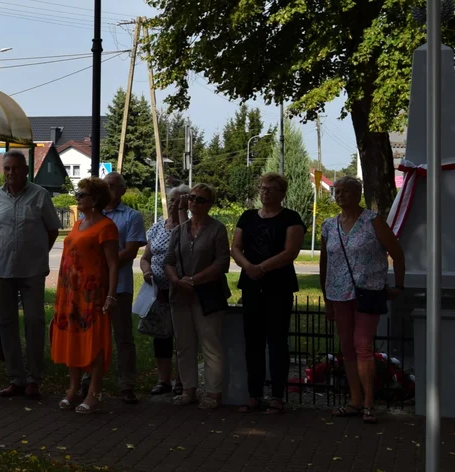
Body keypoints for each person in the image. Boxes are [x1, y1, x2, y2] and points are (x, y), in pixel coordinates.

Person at [321, 176, 406, 424]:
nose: (340, 196)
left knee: (363, 346)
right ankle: (354, 400)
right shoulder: (329, 225)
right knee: (346, 347)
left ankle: (369, 403)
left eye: (346, 191)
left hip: (367, 291)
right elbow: (324, 265)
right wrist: (327, 301)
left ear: (358, 193)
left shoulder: (372, 221)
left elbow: (397, 253)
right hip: (338, 293)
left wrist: (399, 285)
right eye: (337, 192)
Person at [0, 150, 59, 399]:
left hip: (32, 271)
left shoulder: (40, 195)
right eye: (7, 169)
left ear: (26, 170)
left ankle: (34, 378)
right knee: (6, 324)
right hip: (2, 270)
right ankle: (15, 378)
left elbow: (52, 231)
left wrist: (37, 253)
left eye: (15, 168)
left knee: (34, 322)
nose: (10, 173)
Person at [231, 173, 306, 414]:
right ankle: (254, 394)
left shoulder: (291, 218)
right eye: (263, 188)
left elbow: (291, 251)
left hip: (278, 286)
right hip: (251, 285)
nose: (265, 192)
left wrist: (262, 267)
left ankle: (276, 395)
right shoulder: (248, 217)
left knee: (276, 341)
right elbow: (235, 247)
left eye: (271, 189)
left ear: (282, 193)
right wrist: (248, 267)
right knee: (252, 341)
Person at [51, 177, 119, 414]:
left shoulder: (106, 227)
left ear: (95, 199)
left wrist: (111, 296)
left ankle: (94, 391)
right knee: (73, 337)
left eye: (82, 195)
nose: (77, 198)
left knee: (95, 340)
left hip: (93, 293)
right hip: (70, 292)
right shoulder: (78, 224)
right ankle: (72, 389)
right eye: (77, 195)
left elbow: (113, 264)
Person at [162, 183, 231, 409]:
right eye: (191, 198)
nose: (194, 202)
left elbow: (222, 263)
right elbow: (168, 260)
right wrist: (176, 280)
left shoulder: (217, 229)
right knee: (184, 345)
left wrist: (194, 280)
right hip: (180, 295)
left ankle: (213, 394)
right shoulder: (179, 230)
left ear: (210, 204)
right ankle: (188, 391)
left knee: (210, 345)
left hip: (208, 296)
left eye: (200, 199)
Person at [139, 185, 190, 396]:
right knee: (161, 338)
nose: (174, 205)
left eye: (179, 202)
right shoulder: (158, 227)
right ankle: (164, 380)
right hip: (157, 292)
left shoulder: (189, 228)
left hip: (180, 291)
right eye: (171, 201)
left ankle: (182, 380)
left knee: (183, 338)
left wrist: (182, 214)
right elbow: (145, 258)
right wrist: (147, 271)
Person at [101, 172, 147, 404]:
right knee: (94, 335)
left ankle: (127, 385)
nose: (108, 189)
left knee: (123, 337)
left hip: (119, 286)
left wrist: (102, 265)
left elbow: (130, 252)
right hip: (93, 287)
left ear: (122, 190)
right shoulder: (92, 213)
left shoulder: (132, 216)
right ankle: (89, 381)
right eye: (105, 185)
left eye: (112, 186)